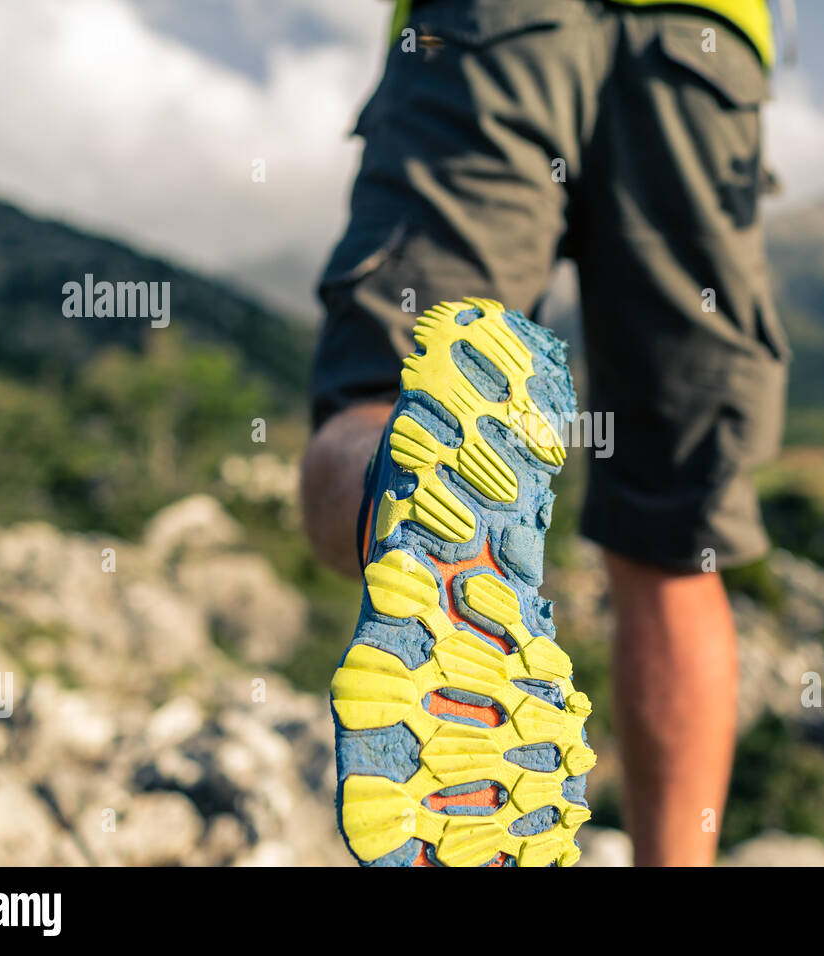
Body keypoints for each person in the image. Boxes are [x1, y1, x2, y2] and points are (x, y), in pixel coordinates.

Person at [301, 0, 789, 867]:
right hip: (700, 42)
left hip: (490, 27)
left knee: (386, 393)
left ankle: (418, 481)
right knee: (675, 539)